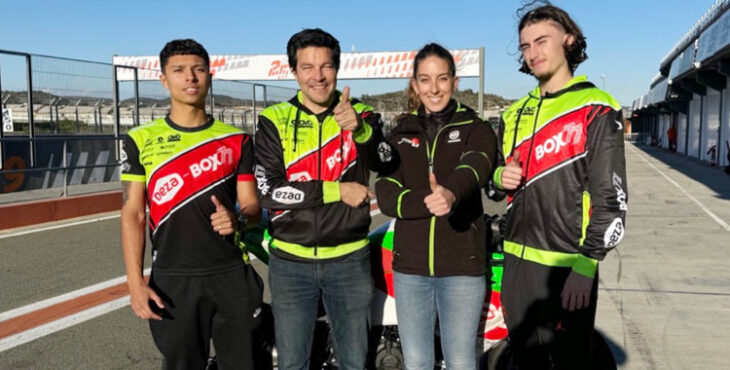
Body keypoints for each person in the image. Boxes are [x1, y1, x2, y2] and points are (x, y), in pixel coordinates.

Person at [489, 4, 628, 369]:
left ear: (568, 40)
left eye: (541, 41)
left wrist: (586, 267)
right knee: (524, 360)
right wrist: (497, 178)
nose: (533, 53)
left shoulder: (595, 106)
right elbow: (493, 187)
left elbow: (612, 201)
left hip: (567, 266)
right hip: (516, 264)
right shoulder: (511, 113)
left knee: (571, 363)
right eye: (525, 46)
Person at [254, 28, 394, 370]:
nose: (318, 76)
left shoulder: (363, 113)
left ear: (337, 68)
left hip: (350, 261)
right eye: (307, 67)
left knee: (353, 362)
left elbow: (388, 162)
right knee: (292, 364)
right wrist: (336, 190)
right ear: (294, 71)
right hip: (290, 264)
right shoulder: (273, 120)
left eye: (326, 67)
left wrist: (360, 130)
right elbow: (270, 191)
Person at [120, 39, 263, 370]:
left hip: (231, 275)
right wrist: (134, 282)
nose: (190, 78)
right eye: (179, 71)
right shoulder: (140, 140)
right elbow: (133, 213)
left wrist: (238, 221)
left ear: (209, 76)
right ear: (164, 79)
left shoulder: (237, 139)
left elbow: (252, 208)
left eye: (198, 70)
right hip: (172, 280)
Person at [375, 43, 497, 370]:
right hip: (410, 270)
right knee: (417, 361)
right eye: (426, 80)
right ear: (415, 85)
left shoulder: (477, 128)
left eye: (442, 79)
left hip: (462, 267)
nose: (434, 88)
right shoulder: (399, 134)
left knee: (459, 361)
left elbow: (477, 165)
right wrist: (428, 202)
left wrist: (452, 194)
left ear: (455, 82)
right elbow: (386, 192)